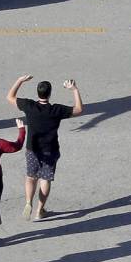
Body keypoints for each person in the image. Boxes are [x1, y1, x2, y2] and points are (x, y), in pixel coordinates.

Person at [7, 75, 84, 221]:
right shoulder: (56, 110)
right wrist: (74, 89)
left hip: (32, 148)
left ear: (37, 93)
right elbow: (79, 109)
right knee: (45, 179)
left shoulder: (29, 106)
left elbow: (10, 97)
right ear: (49, 94)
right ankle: (39, 210)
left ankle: (28, 202)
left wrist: (19, 81)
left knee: (31, 177)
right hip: (50, 150)